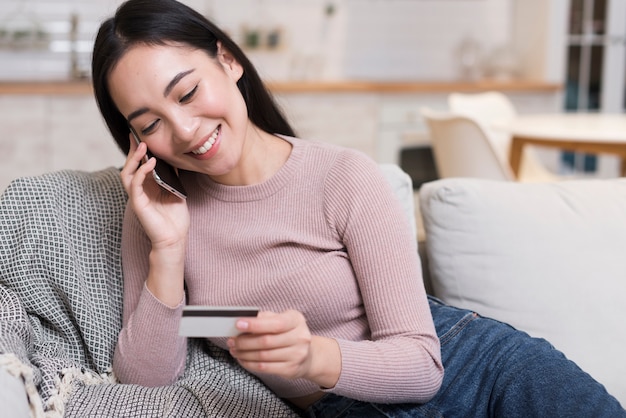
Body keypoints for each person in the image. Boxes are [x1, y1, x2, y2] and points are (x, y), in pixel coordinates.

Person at [92, 0, 625, 416]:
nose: (183, 130)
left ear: (228, 61)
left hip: (481, 372)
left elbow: (421, 363)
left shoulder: (341, 176)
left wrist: (311, 357)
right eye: (150, 123)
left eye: (186, 93)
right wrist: (167, 250)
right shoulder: (161, 210)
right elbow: (147, 378)